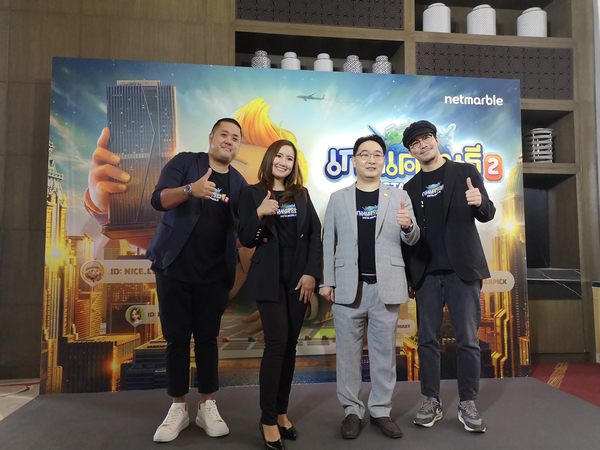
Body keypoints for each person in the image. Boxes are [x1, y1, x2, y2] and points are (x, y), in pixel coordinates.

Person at [146, 118, 248, 443]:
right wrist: (191, 189)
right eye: (224, 135)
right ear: (212, 137)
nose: (229, 141)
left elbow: (243, 232)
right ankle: (178, 406)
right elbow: (158, 200)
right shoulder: (185, 163)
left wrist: (259, 217)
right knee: (176, 340)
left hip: (214, 275)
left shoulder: (240, 183)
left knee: (207, 340)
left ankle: (207, 405)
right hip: (173, 268)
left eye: (235, 138)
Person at [319, 134, 420, 440]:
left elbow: (413, 239)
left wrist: (408, 226)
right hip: (348, 288)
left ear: (384, 161)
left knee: (384, 355)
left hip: (386, 288)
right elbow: (328, 242)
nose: (371, 159)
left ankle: (380, 411)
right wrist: (327, 281)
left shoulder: (399, 196)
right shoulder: (338, 198)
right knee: (347, 356)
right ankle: (351, 410)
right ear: (354, 161)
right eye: (365, 154)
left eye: (377, 154)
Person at [401, 120, 496, 433]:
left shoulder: (465, 172)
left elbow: (488, 213)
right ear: (411, 151)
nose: (422, 145)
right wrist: (410, 277)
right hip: (426, 273)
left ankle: (468, 402)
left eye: (426, 138)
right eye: (415, 143)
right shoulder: (410, 188)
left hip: (462, 271)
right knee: (427, 340)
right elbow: (408, 235)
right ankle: (431, 400)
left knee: (468, 339)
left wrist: (480, 202)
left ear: (435, 139)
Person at [238, 140, 322, 450]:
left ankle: (282, 412)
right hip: (268, 278)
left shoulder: (301, 194)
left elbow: (314, 235)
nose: (284, 162)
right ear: (269, 159)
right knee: (276, 344)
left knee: (289, 347)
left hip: (299, 278)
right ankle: (268, 419)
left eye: (290, 158)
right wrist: (260, 213)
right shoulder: (251, 193)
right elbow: (246, 238)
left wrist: (312, 273)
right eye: (279, 156)